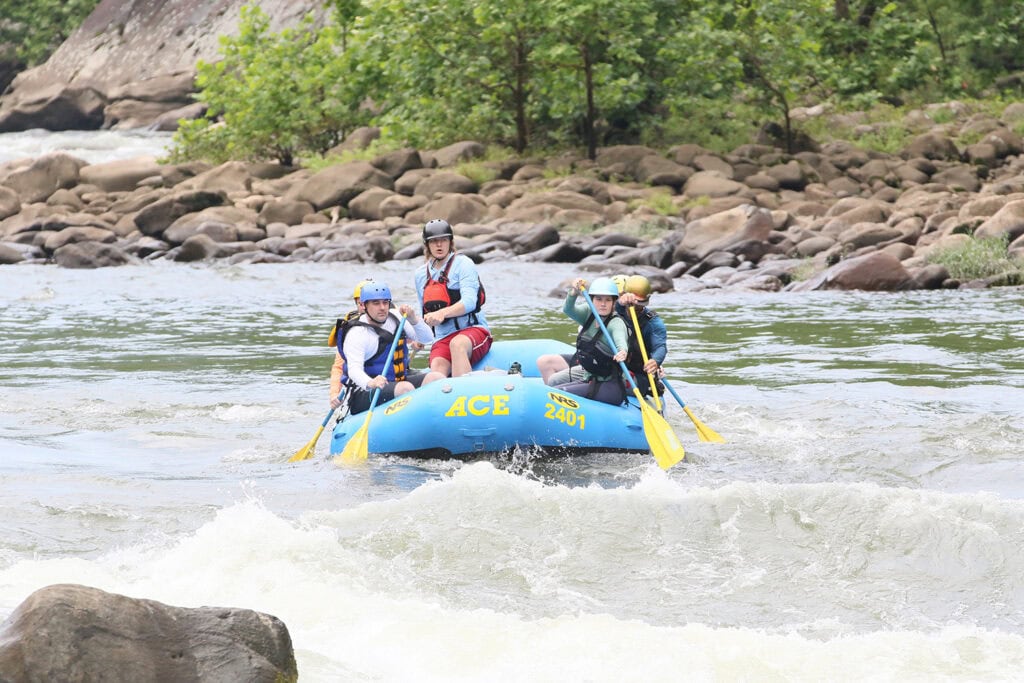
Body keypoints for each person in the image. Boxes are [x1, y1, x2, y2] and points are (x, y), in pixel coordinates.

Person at [414, 219, 492, 383]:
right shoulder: (420, 274)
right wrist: (417, 337)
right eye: (434, 241)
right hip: (443, 337)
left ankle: (465, 395)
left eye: (443, 240)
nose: (439, 245)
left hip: (473, 330)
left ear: (451, 242)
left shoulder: (464, 264)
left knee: (457, 345)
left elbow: (470, 301)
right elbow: (424, 313)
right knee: (437, 369)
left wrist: (443, 312)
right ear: (427, 245)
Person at [340, 283, 433, 415]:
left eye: (385, 302)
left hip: (397, 380)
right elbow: (354, 369)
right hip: (364, 391)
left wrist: (414, 320)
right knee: (405, 388)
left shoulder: (397, 317)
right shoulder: (357, 333)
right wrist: (370, 382)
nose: (382, 308)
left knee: (436, 378)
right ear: (364, 305)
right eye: (376, 303)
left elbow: (427, 339)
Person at [540, 277, 629, 405]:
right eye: (598, 299)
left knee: (555, 394)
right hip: (589, 377)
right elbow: (568, 310)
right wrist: (574, 292)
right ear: (592, 300)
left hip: (609, 386)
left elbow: (621, 340)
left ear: (613, 303)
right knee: (553, 386)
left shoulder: (616, 323)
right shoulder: (588, 312)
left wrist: (622, 352)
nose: (603, 304)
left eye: (608, 300)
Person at [616, 274, 668, 398]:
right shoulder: (617, 309)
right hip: (615, 367)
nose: (636, 308)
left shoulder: (653, 323)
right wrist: (620, 302)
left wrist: (655, 361)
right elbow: (602, 309)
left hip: (639, 376)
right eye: (633, 304)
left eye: (641, 305)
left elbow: (660, 347)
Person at [328, 279, 372, 409]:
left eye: (374, 303)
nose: (365, 308)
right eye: (361, 304)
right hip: (362, 386)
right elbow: (339, 367)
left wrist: (415, 342)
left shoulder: (392, 320)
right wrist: (334, 394)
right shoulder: (350, 330)